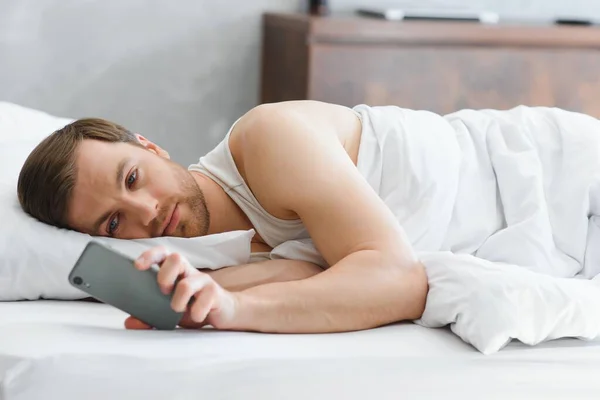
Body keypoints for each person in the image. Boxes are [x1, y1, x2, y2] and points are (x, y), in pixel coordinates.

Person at [17, 100, 428, 332]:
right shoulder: (212, 265)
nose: (147, 211)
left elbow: (401, 281)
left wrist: (236, 309)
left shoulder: (270, 136)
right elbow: (314, 275)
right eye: (113, 223)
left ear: (150, 146)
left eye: (133, 177)